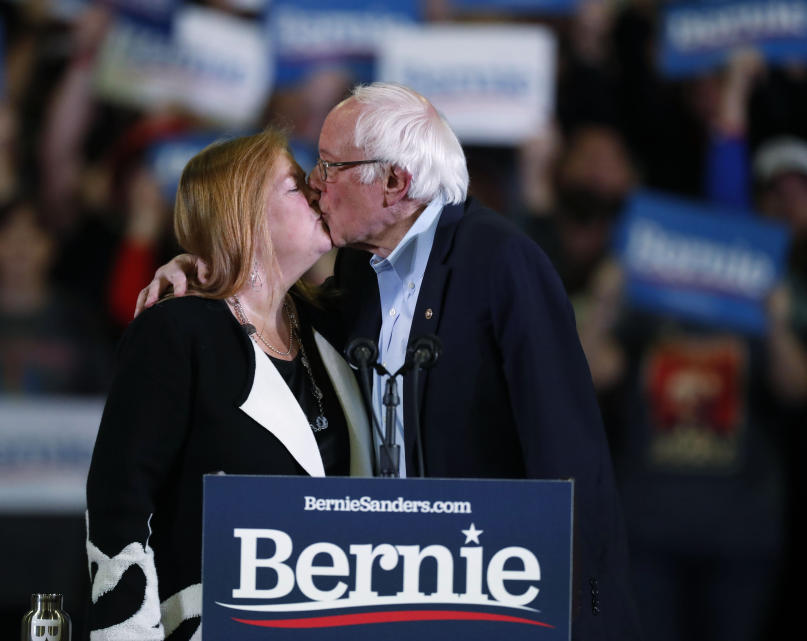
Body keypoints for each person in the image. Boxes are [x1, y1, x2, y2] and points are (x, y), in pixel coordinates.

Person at [140, 83, 643, 640]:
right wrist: (207, 266)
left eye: (331, 166)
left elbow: (570, 455)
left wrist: (588, 616)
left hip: (491, 594)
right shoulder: (358, 270)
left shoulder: (501, 263)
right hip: (386, 597)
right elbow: (275, 317)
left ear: (396, 182)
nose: (315, 183)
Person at [85, 130, 372, 641]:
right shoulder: (175, 331)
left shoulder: (333, 324)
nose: (316, 194)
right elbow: (119, 501)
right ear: (243, 215)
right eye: (295, 185)